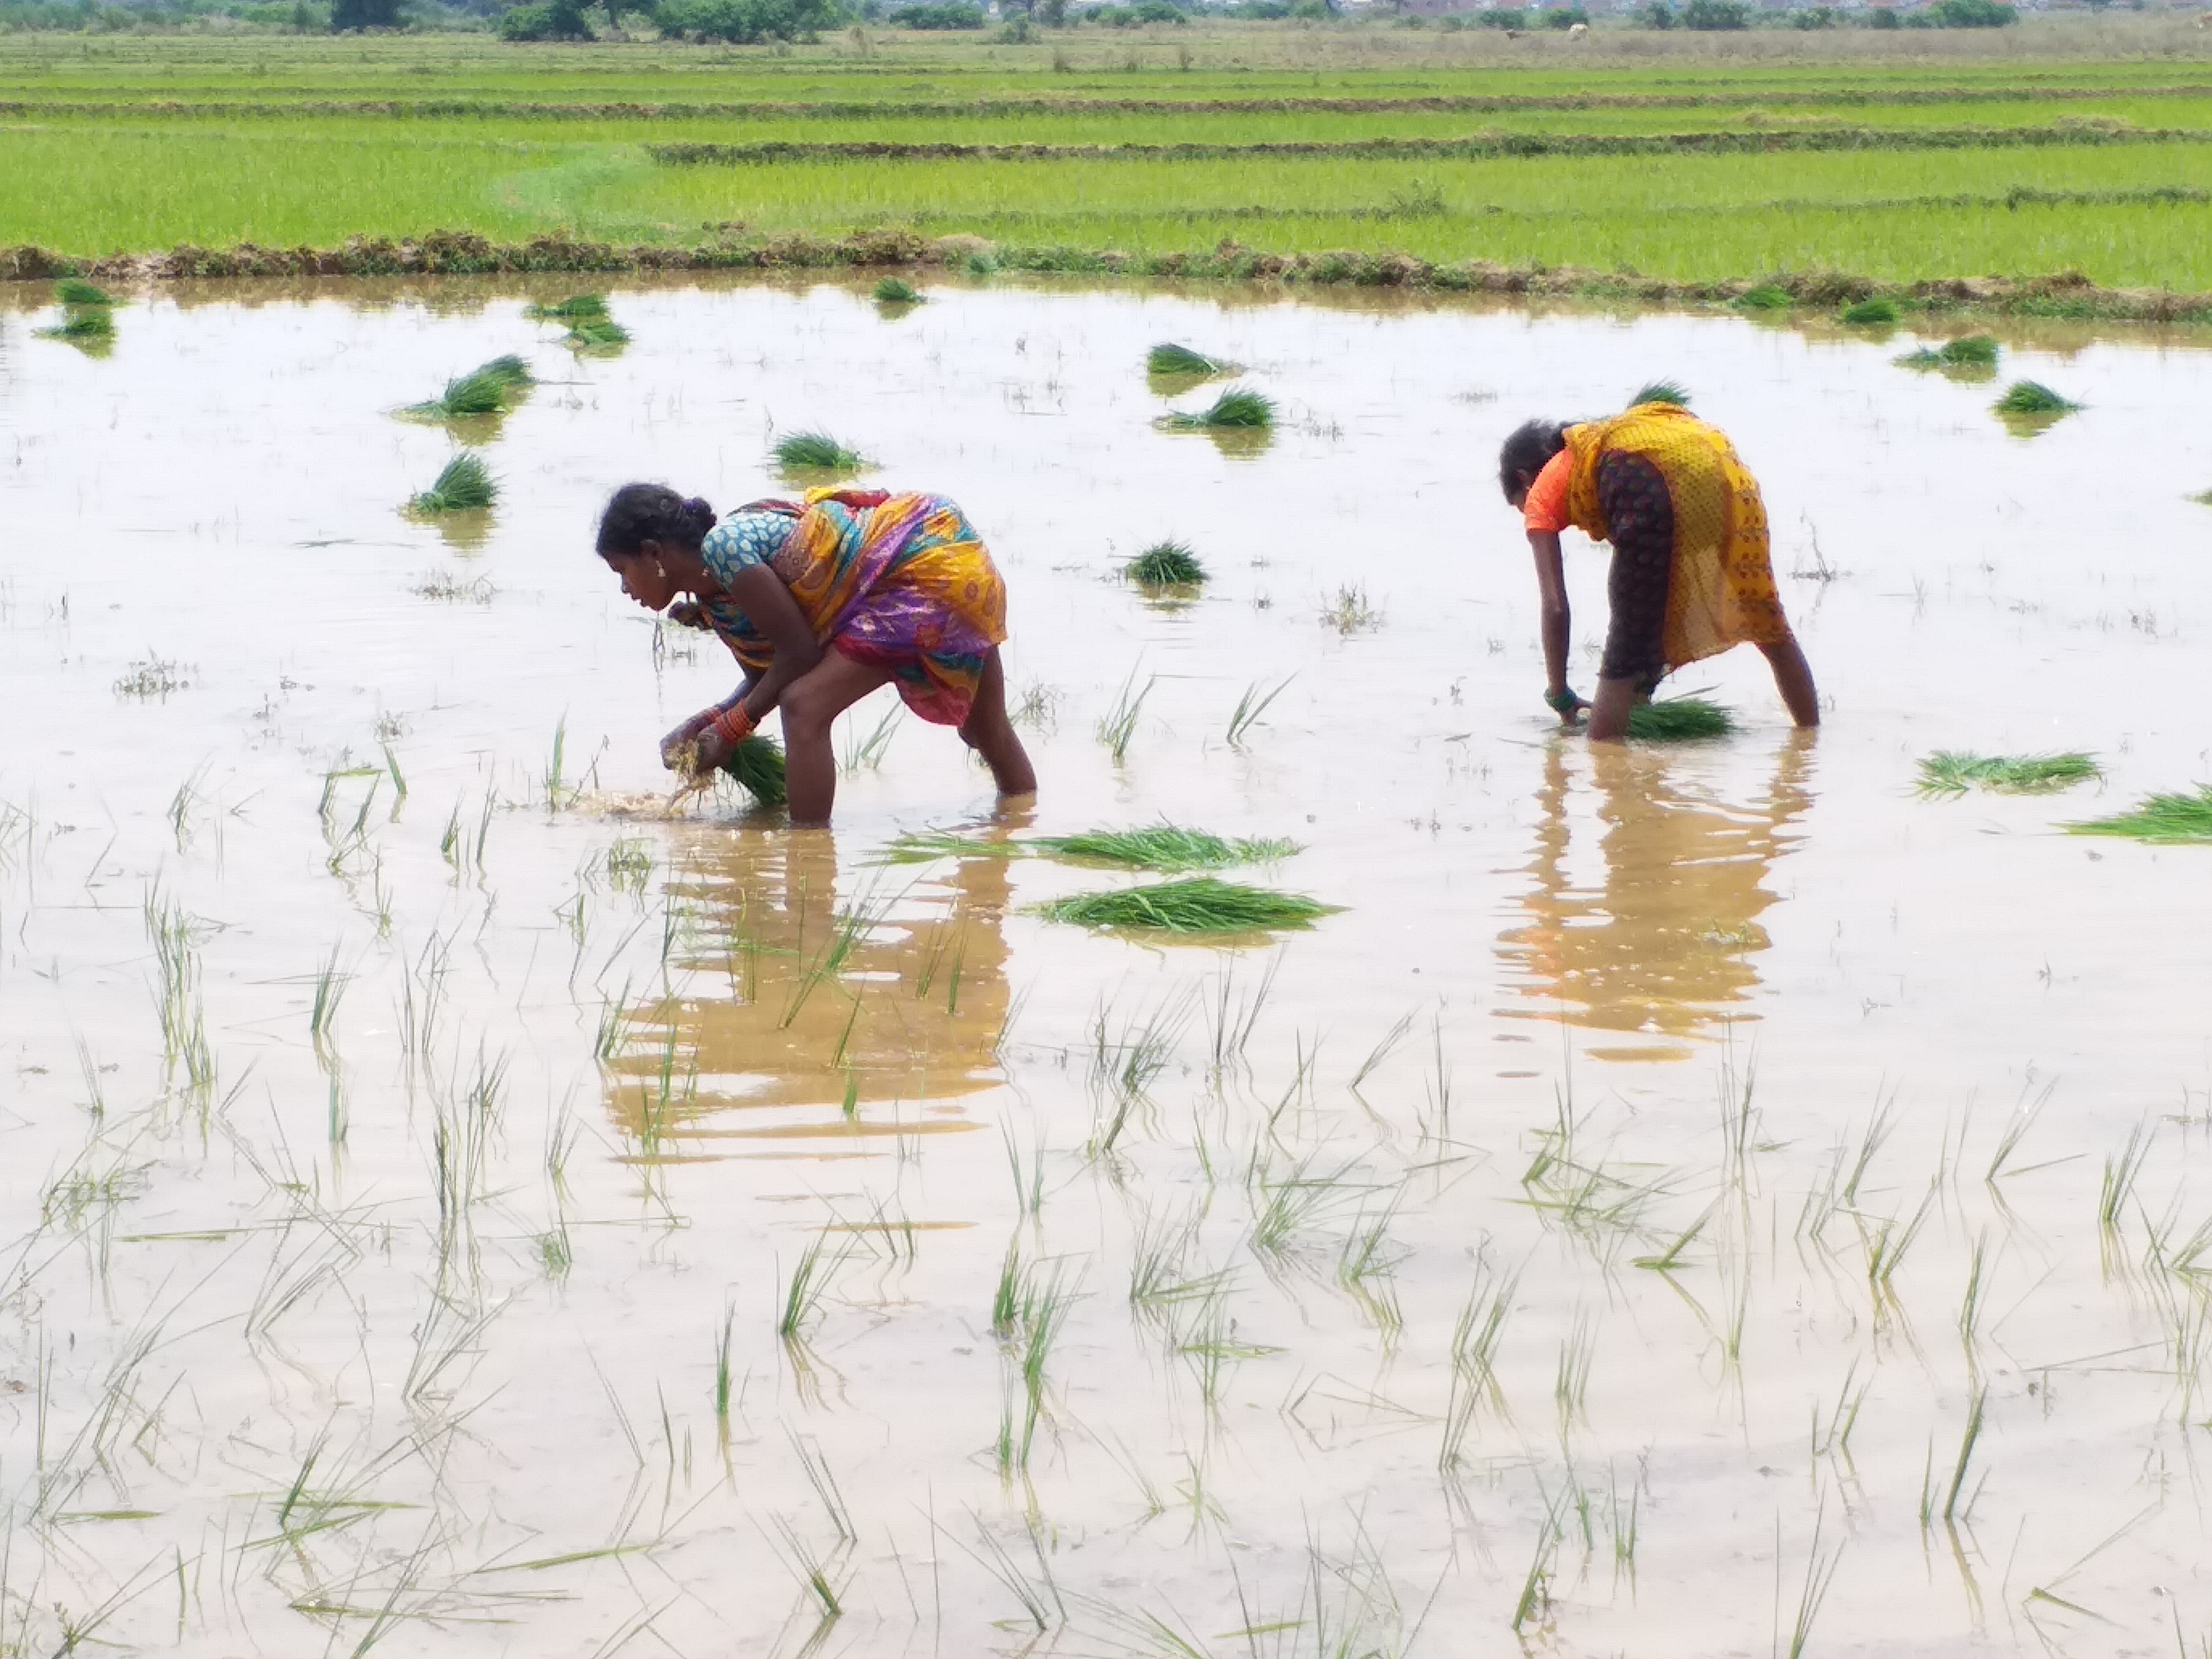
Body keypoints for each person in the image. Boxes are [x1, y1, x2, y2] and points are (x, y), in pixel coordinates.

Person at [594, 483, 1037, 827]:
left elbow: (799, 655)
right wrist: (705, 723)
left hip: (920, 566)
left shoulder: (725, 550)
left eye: (623, 571)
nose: (625, 588)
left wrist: (729, 730)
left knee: (804, 707)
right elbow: (771, 675)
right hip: (952, 557)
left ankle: (807, 859)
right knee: (987, 732)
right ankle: (1023, 831)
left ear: (653, 553)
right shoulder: (720, 597)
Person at [1498, 400, 1820, 741]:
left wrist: (1559, 693)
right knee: (1768, 624)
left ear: (1525, 480)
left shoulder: (1544, 491)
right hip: (1719, 467)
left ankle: (1606, 764)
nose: (1526, 512)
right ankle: (1811, 748)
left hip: (1643, 481)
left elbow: (1555, 606)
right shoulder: (1600, 443)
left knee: (1623, 651)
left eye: (1519, 504)